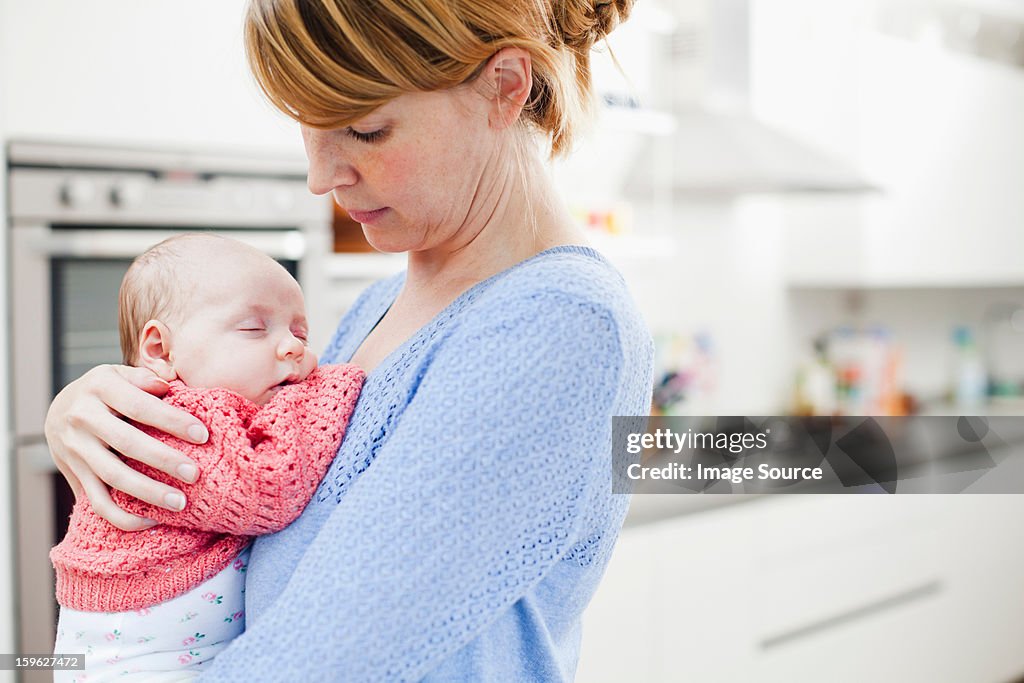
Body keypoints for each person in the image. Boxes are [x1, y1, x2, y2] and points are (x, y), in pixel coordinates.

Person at [45, 0, 654, 680]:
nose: (321, 176)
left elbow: (321, 661)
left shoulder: (559, 324)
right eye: (308, 128)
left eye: (365, 130)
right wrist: (108, 415)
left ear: (505, 87)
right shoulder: (377, 304)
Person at [50, 234, 364, 681]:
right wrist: (333, 386)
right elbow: (268, 489)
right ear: (160, 350)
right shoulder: (166, 421)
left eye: (300, 333)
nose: (294, 348)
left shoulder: (228, 416)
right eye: (255, 328)